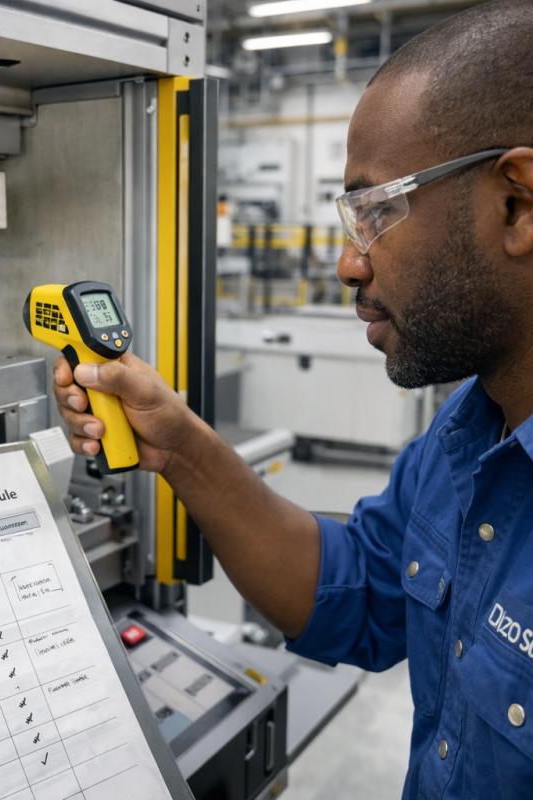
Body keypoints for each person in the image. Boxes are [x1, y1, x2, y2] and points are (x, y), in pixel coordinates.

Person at [54, 1, 533, 796]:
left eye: (376, 212)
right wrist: (175, 444)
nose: (350, 264)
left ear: (518, 202)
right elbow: (356, 593)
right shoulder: (469, 430)